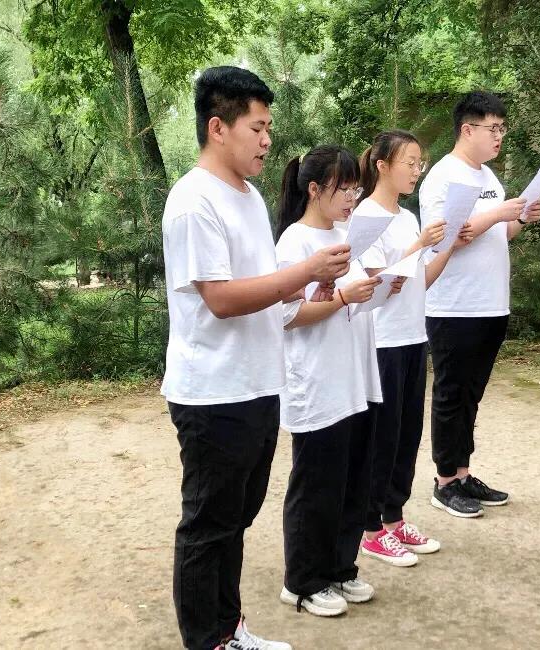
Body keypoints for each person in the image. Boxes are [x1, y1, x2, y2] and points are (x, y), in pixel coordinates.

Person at [161, 66, 350, 650]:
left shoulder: (246, 196)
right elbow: (220, 299)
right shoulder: (193, 200)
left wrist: (308, 285)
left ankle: (228, 630)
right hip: (213, 391)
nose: (268, 140)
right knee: (208, 524)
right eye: (257, 127)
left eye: (269, 128)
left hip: (256, 384)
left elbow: (263, 285)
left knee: (235, 519)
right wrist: (303, 271)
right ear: (218, 128)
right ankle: (208, 640)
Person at [418, 90, 540, 519]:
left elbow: (500, 234)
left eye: (502, 128)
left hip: (491, 303)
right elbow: (446, 236)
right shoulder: (443, 177)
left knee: (472, 395)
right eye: (493, 128)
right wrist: (498, 213)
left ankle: (463, 472)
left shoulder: (488, 177)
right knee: (451, 393)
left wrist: (520, 217)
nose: (499, 136)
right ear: (466, 130)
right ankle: (444, 482)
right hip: (454, 305)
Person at [274, 145, 384, 617]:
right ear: (315, 189)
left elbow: (350, 297)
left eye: (356, 189)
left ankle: (340, 567)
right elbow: (287, 316)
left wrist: (381, 285)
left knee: (353, 480)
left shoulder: (347, 235)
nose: (351, 198)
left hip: (354, 376)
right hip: (318, 382)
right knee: (317, 485)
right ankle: (303, 581)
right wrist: (342, 298)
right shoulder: (294, 244)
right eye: (344, 189)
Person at [355, 130, 457, 566]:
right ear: (382, 165)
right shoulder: (366, 216)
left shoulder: (408, 217)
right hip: (383, 342)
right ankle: (370, 528)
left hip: (414, 337)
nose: (417, 171)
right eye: (410, 163)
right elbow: (380, 285)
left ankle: (394, 518)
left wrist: (447, 246)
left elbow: (420, 281)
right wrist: (419, 245)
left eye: (420, 163)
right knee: (381, 437)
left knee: (407, 434)